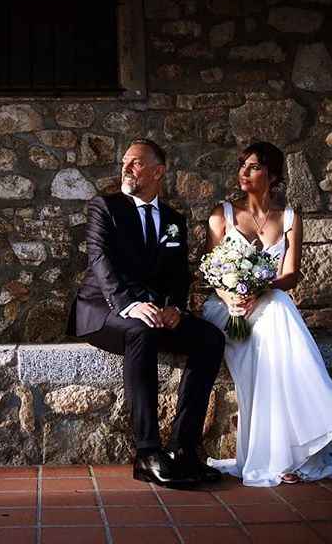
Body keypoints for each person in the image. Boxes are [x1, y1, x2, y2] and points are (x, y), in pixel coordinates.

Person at [201, 141, 332, 487]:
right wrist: (233, 298)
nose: (244, 173)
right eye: (242, 166)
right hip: (225, 309)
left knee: (276, 317)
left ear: (273, 175)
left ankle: (282, 459)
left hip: (266, 306)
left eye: (254, 167)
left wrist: (257, 291)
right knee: (279, 311)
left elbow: (290, 274)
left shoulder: (291, 218)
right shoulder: (222, 215)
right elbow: (210, 270)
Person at [67, 138, 225, 486]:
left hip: (154, 313)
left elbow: (178, 274)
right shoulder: (104, 207)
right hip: (102, 312)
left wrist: (174, 308)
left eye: (136, 162)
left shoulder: (173, 220)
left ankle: (184, 450)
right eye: (125, 161)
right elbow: (100, 262)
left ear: (158, 171)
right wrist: (130, 305)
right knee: (141, 331)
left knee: (210, 338)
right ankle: (147, 453)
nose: (127, 168)